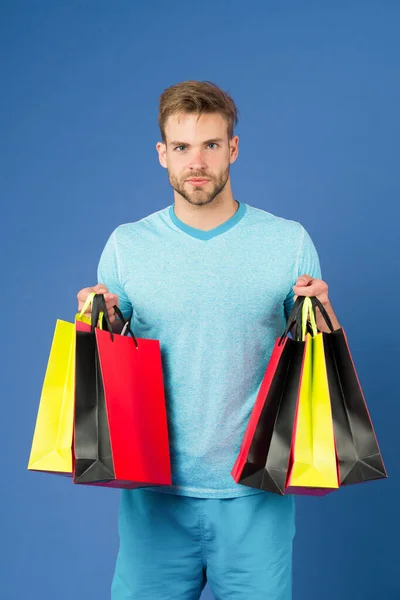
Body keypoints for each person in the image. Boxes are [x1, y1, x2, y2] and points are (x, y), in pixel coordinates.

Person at [77, 80, 340, 600]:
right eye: (182, 147)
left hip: (255, 495)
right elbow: (110, 363)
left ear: (233, 149)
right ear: (162, 155)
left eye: (211, 145)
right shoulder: (128, 246)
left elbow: (314, 363)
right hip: (154, 495)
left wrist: (326, 312)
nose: (196, 162)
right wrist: (93, 318)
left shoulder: (287, 243)